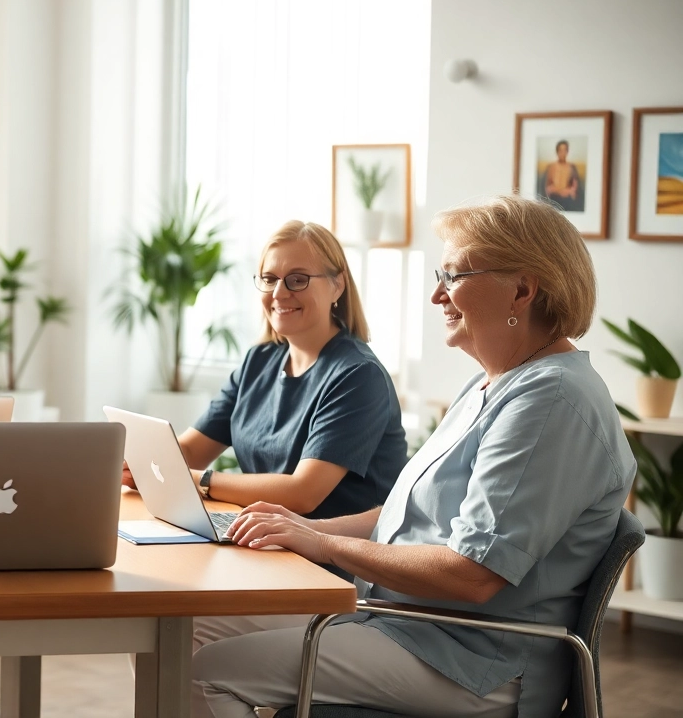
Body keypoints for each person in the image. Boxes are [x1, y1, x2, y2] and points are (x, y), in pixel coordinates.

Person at [191, 195, 635, 718]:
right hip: (398, 619)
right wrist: (299, 528)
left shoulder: (552, 402)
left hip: (469, 658)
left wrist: (323, 542)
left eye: (454, 275)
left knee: (203, 674)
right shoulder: (490, 385)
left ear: (522, 289)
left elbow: (472, 574)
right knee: (184, 628)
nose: (436, 295)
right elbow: (406, 515)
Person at [125, 221, 406, 527]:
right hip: (264, 537)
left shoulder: (358, 376)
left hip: (333, 562)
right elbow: (193, 449)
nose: (279, 293)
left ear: (337, 284)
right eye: (269, 279)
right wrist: (143, 465)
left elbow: (303, 493)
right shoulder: (258, 361)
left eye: (297, 280)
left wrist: (198, 480)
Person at [542, 139, 583, 212]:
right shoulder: (551, 167)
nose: (562, 153)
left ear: (567, 152)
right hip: (553, 199)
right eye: (560, 150)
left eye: (565, 150)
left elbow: (574, 189)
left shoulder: (572, 167)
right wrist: (559, 191)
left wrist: (569, 192)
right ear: (557, 151)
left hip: (567, 200)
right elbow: (547, 188)